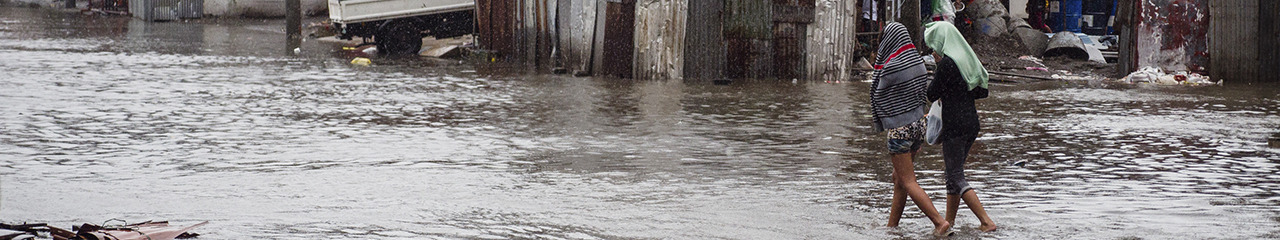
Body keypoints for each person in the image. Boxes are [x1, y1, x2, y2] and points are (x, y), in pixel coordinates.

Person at [870, 22, 952, 237]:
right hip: (918, 126)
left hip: (899, 130)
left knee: (908, 181)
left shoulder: (891, 66)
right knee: (899, 180)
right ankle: (892, 228)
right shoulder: (917, 62)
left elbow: (877, 94)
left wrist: (883, 121)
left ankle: (939, 222)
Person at [923, 21, 997, 232]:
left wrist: (939, 68)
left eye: (934, 46)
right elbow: (982, 91)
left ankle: (985, 221)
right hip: (971, 122)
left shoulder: (947, 64)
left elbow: (931, 94)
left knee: (955, 176)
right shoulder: (967, 60)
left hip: (954, 124)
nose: (933, 50)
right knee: (953, 174)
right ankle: (950, 222)